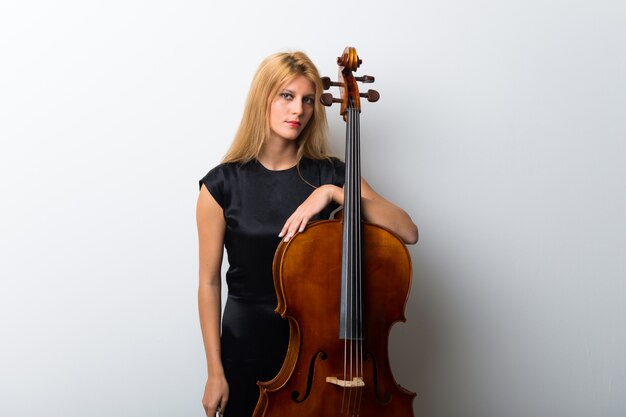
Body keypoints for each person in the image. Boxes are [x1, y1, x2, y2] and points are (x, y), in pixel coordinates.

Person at [196, 50, 418, 417]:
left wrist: (333, 194)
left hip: (320, 353)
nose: (298, 109)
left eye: (308, 100)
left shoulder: (329, 174)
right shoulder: (222, 185)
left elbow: (407, 230)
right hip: (246, 345)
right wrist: (214, 372)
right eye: (286, 96)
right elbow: (208, 283)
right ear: (262, 100)